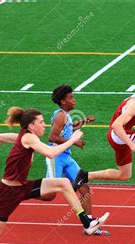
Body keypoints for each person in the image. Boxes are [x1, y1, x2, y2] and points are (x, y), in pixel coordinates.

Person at [0, 107, 109, 244]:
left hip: (23, 187)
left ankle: (87, 223)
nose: (45, 125)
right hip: (7, 193)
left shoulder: (24, 136)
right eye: (41, 122)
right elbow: (51, 153)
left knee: (64, 183)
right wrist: (72, 139)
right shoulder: (29, 138)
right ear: (31, 126)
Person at [47, 84, 109, 236]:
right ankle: (22, 191)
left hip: (66, 157)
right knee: (49, 194)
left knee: (84, 187)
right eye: (71, 98)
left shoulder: (66, 116)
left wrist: (85, 121)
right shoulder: (60, 115)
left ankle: (89, 225)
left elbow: (70, 128)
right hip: (55, 157)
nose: (74, 100)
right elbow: (52, 137)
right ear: (63, 101)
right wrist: (74, 141)